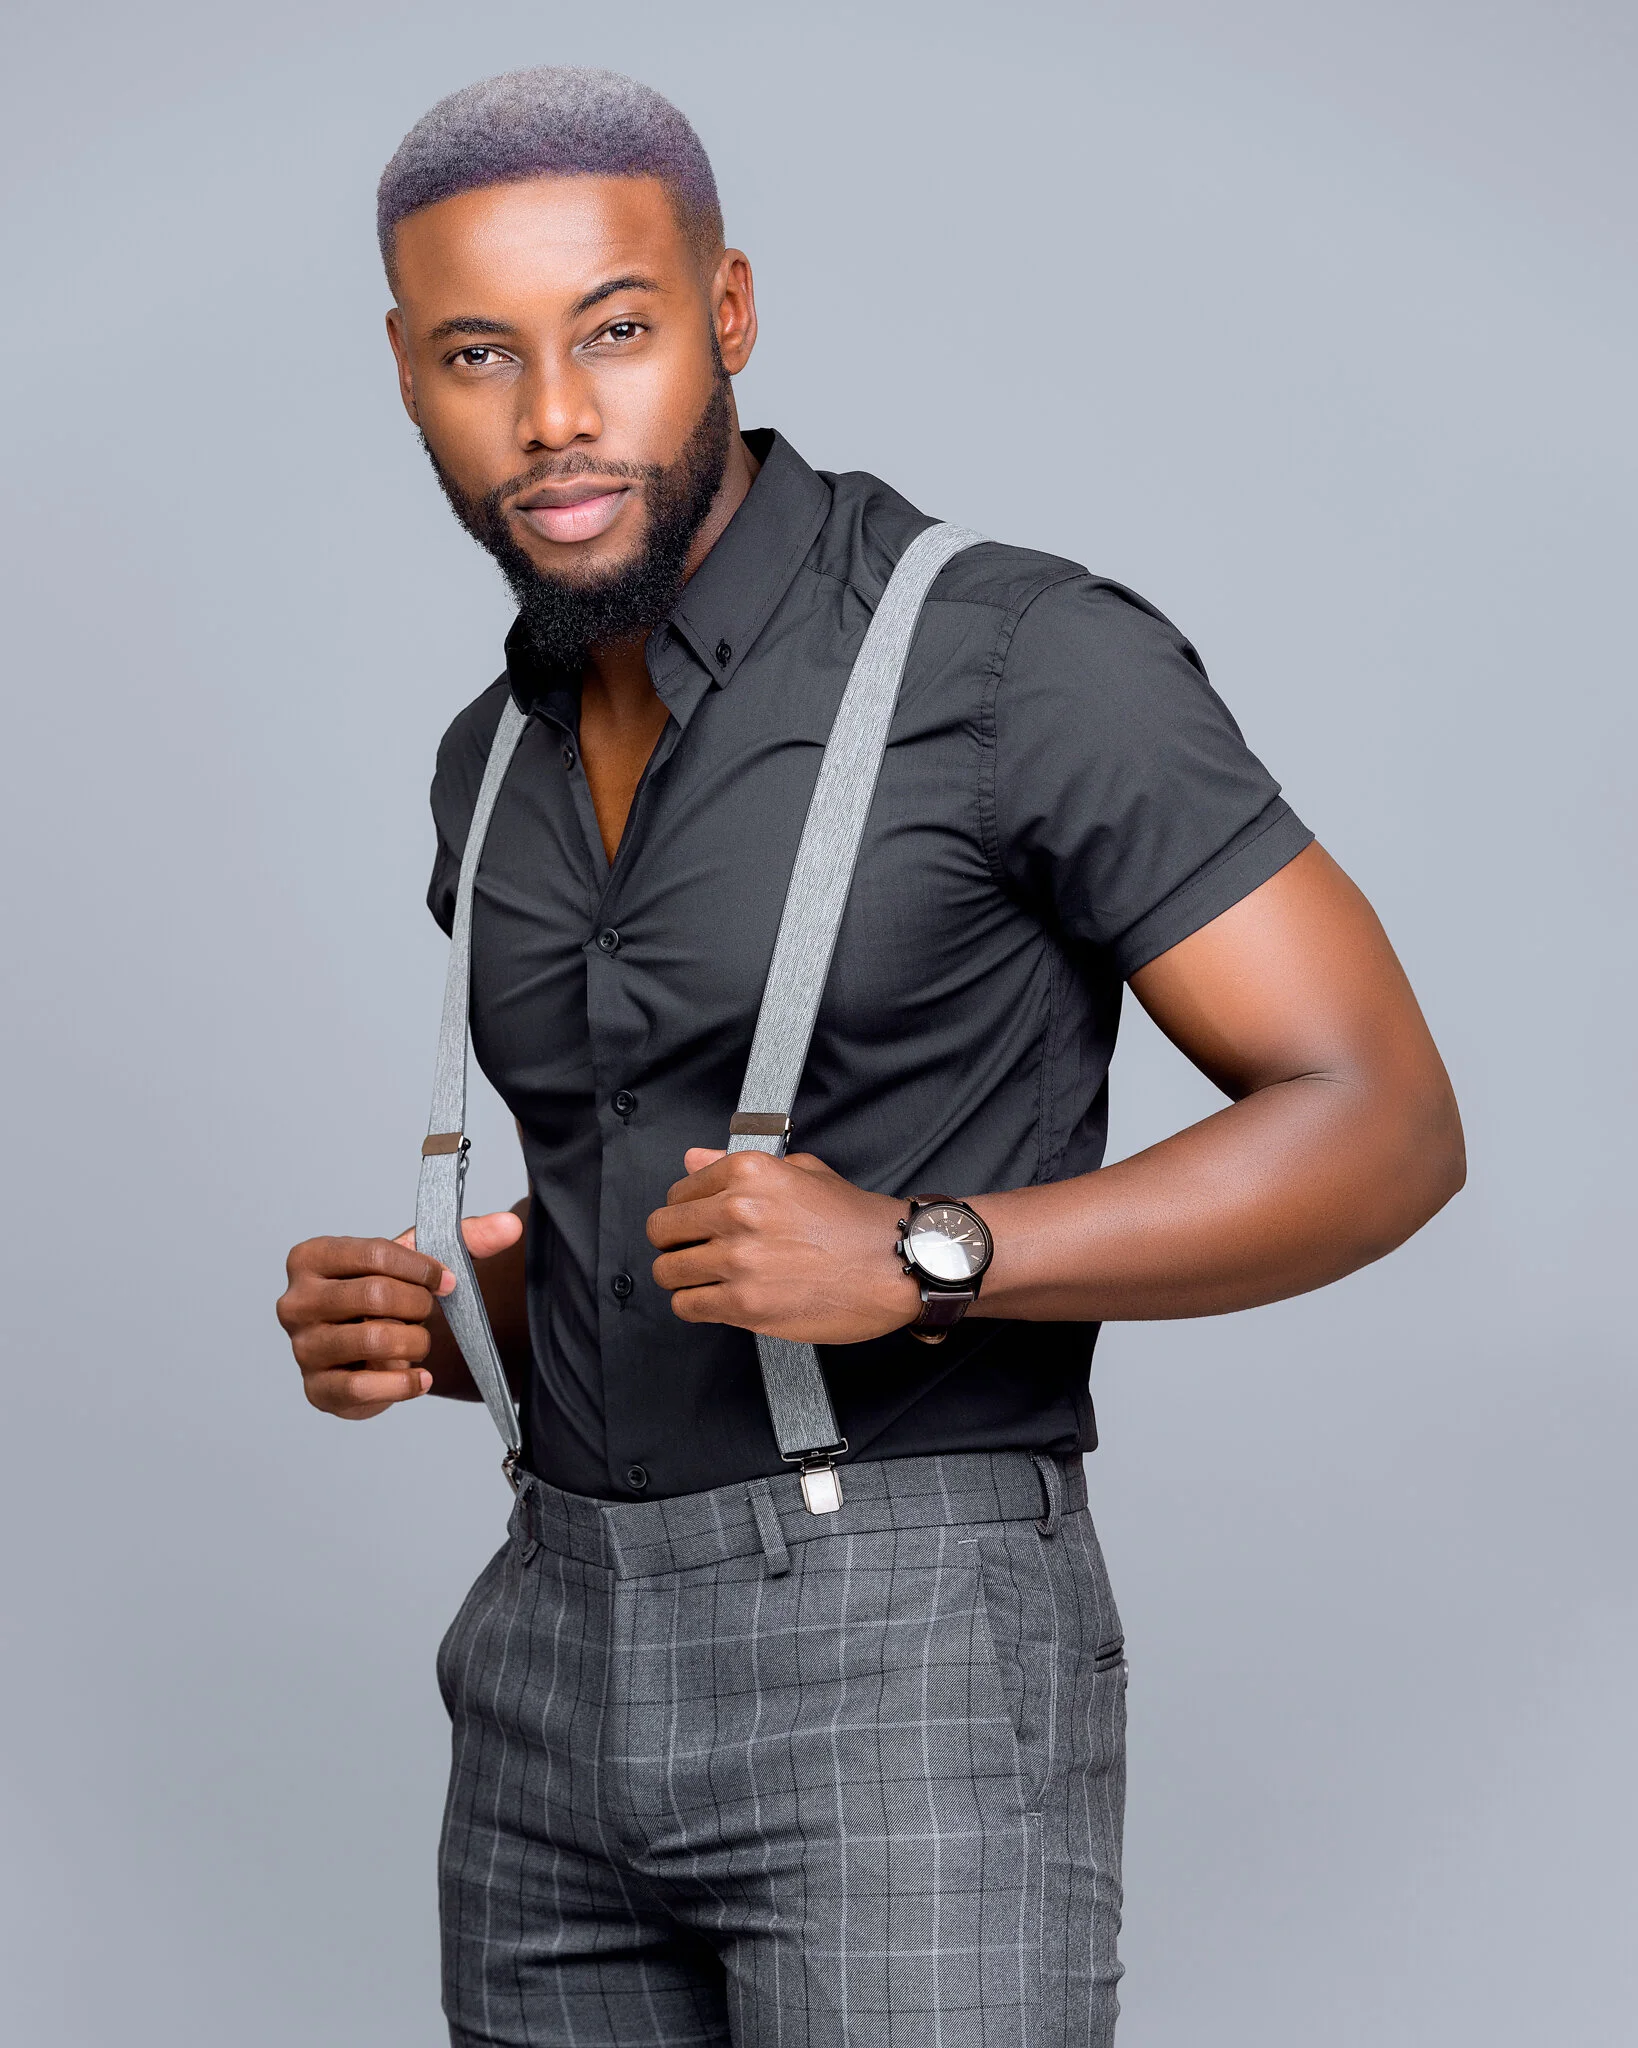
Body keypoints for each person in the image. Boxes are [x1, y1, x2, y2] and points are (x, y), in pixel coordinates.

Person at [275, 65, 1464, 2048]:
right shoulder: (485, 767)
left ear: (728, 314)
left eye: (619, 331)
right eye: (482, 352)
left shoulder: (1018, 661)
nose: (556, 417)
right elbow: (636, 1184)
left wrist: (931, 1253)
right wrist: (462, 1305)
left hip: (903, 1652)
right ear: (407, 370)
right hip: (544, 1646)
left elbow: (1389, 1122)